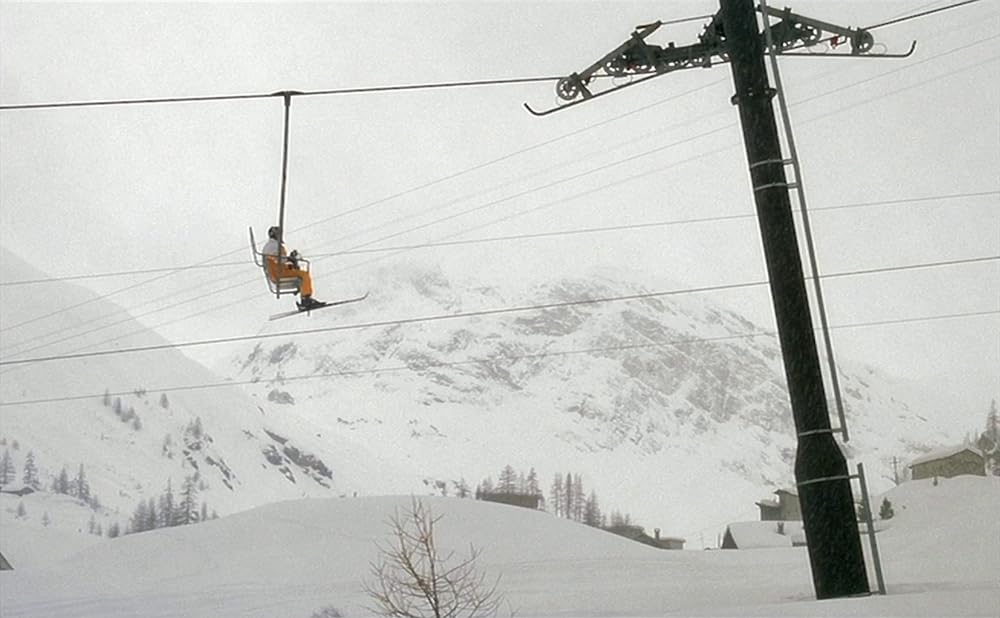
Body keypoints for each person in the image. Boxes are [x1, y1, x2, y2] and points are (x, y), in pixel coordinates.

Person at [261, 226, 323, 310]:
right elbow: (279, 260)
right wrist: (290, 258)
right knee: (304, 275)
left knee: (299, 272)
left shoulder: (270, 246)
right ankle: (306, 299)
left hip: (278, 271)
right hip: (279, 273)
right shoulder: (273, 246)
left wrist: (290, 260)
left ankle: (304, 296)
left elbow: (278, 260)